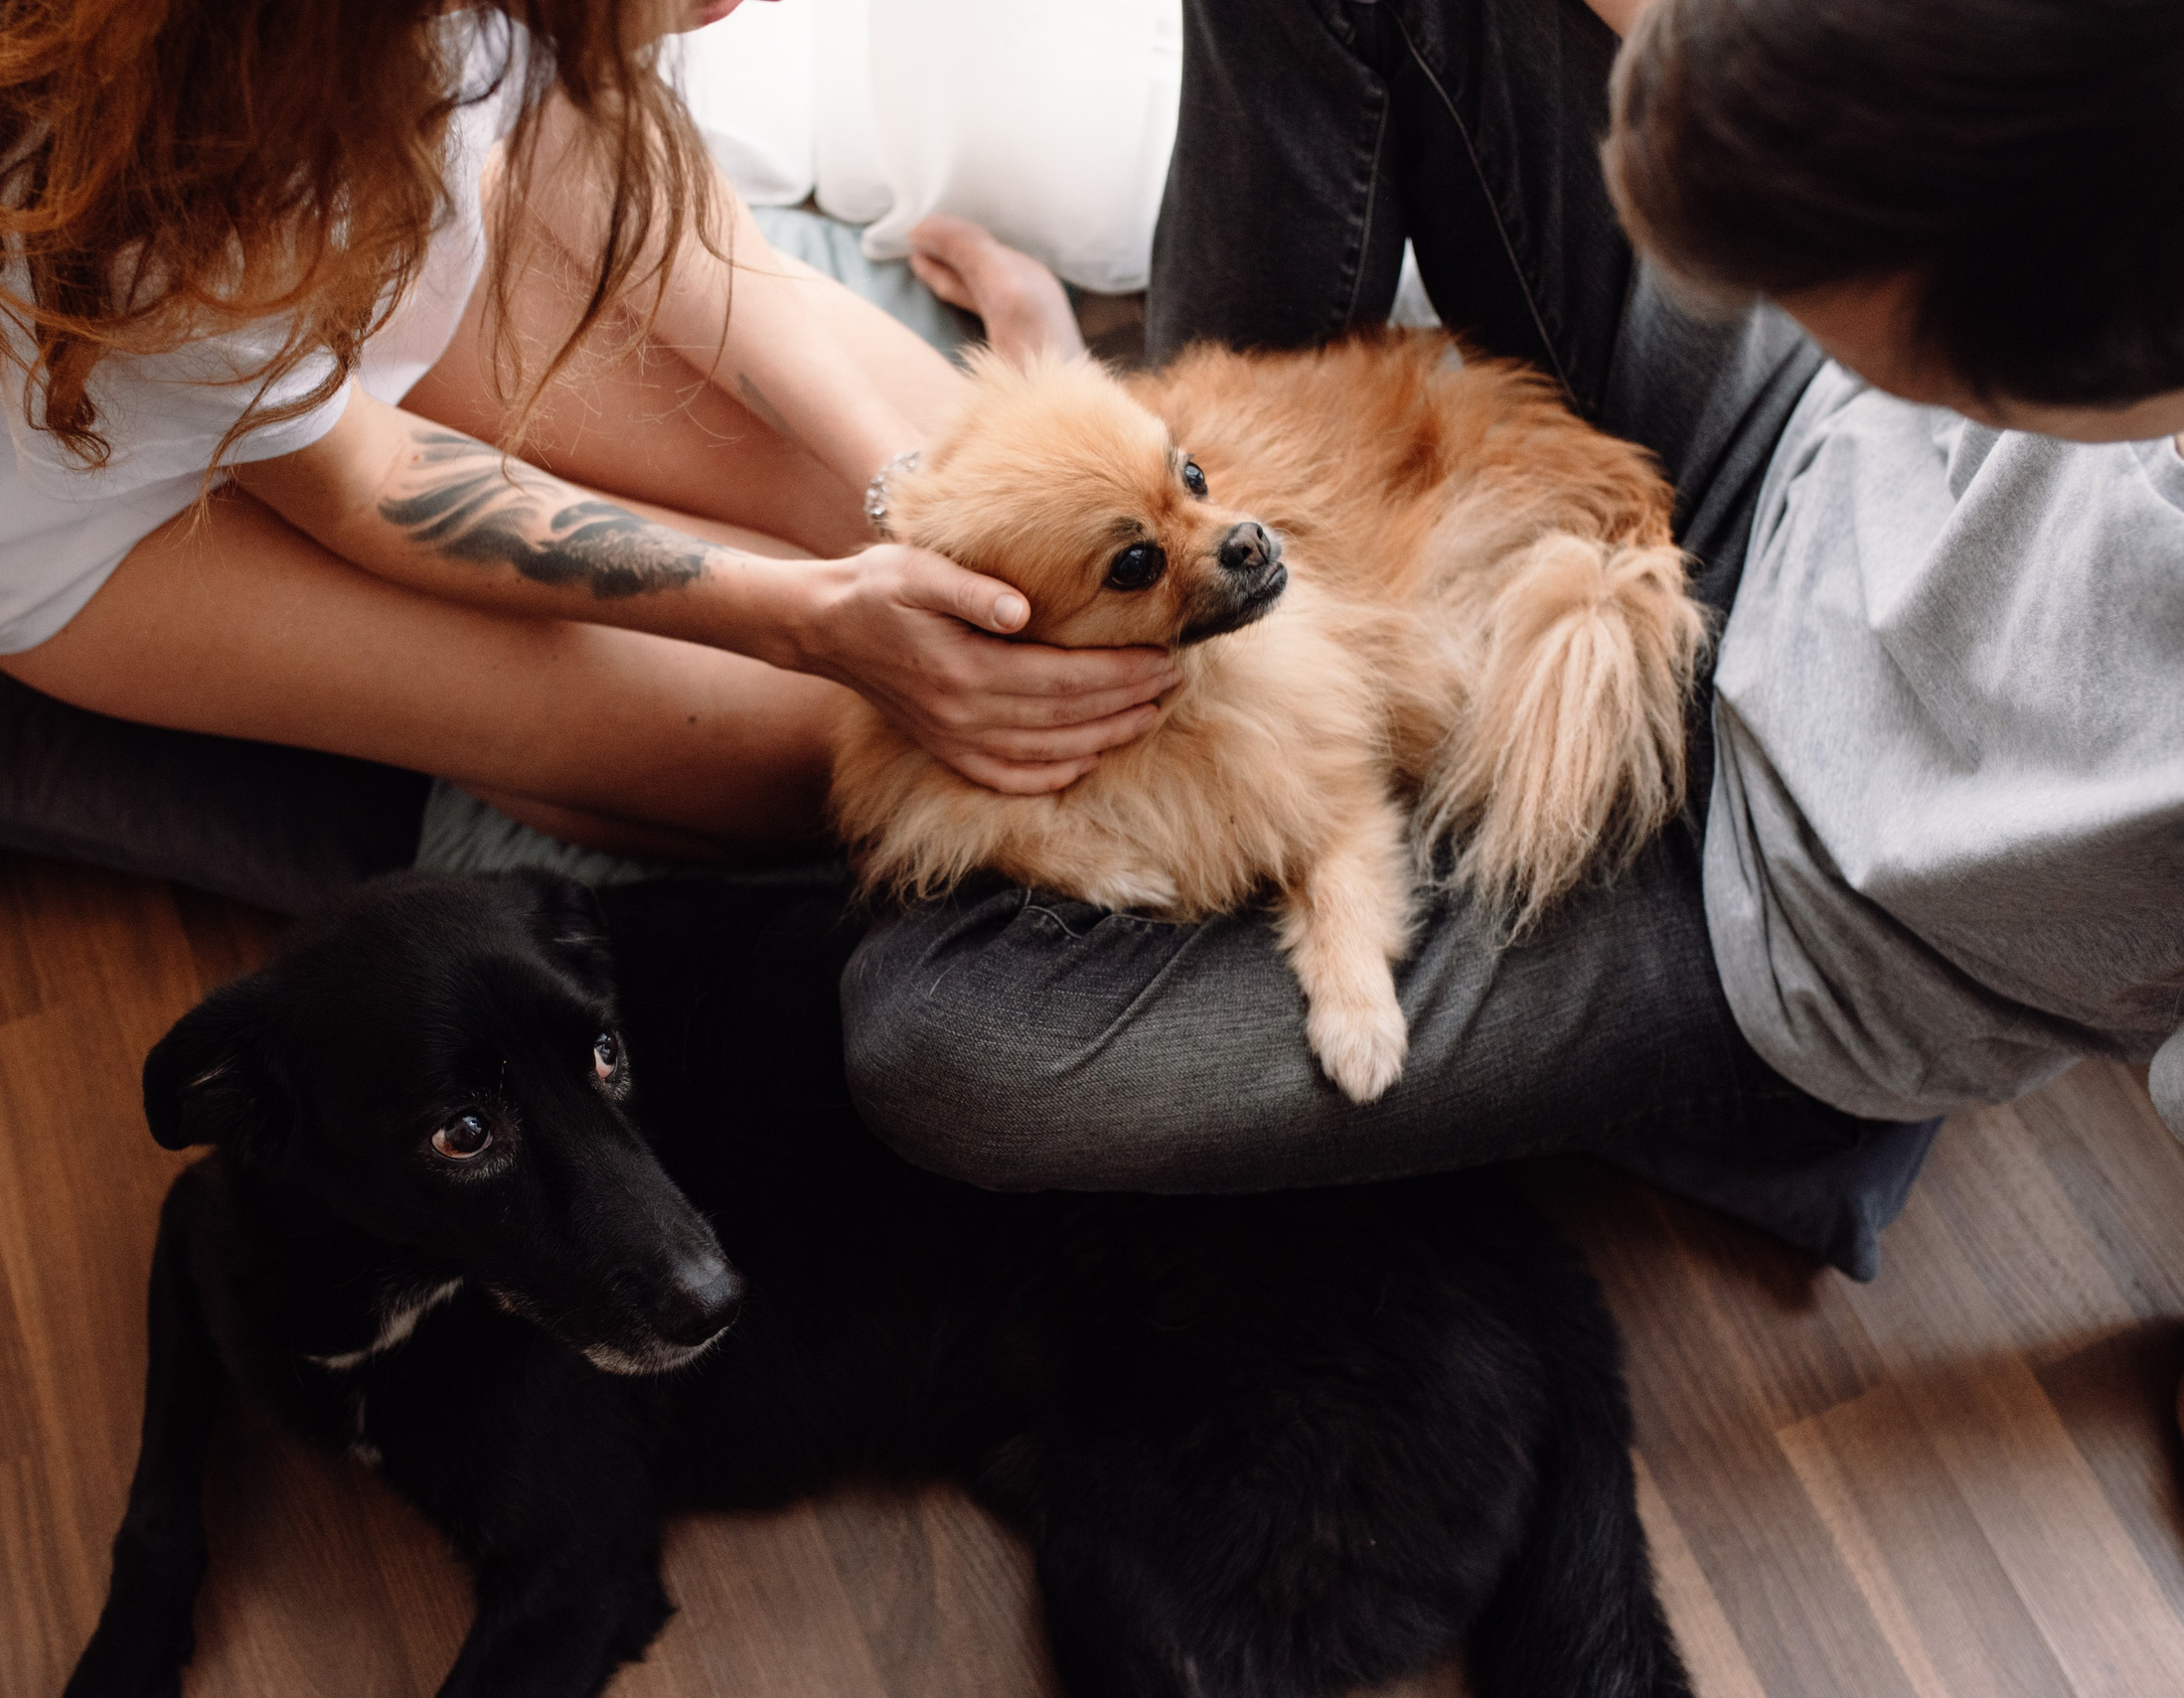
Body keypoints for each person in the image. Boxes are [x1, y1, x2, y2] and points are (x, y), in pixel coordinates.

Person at [843, 0, 2184, 1282]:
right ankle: (1128, 459)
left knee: (930, 1038)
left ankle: (1160, 532)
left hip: (1776, 901)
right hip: (1792, 447)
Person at [0, 0, 1180, 869]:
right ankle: (496, 730)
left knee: (1008, 529)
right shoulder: (147, 143)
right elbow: (358, 486)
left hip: (329, 211)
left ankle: (555, 707)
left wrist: (901, 480)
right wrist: (805, 618)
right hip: (69, 467)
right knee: (847, 748)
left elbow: (573, 110)